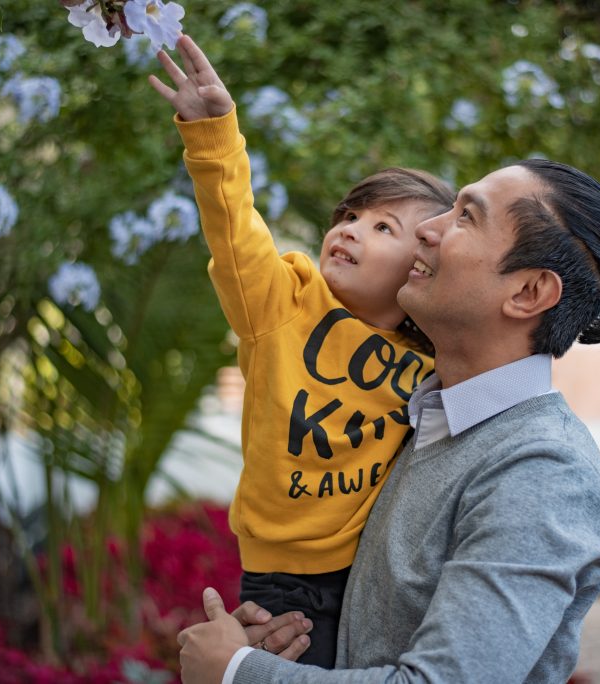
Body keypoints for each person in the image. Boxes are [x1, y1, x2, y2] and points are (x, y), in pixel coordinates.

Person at [173, 115, 600, 682]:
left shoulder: (544, 472)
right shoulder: (423, 417)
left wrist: (237, 672)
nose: (428, 230)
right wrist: (278, 642)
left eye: (465, 217)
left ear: (527, 292)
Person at [148, 36, 455, 668]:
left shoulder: (433, 357)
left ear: (422, 269)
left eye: (383, 228)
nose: (349, 228)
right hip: (286, 585)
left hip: (374, 572)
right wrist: (213, 135)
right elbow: (234, 226)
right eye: (352, 213)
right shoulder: (282, 303)